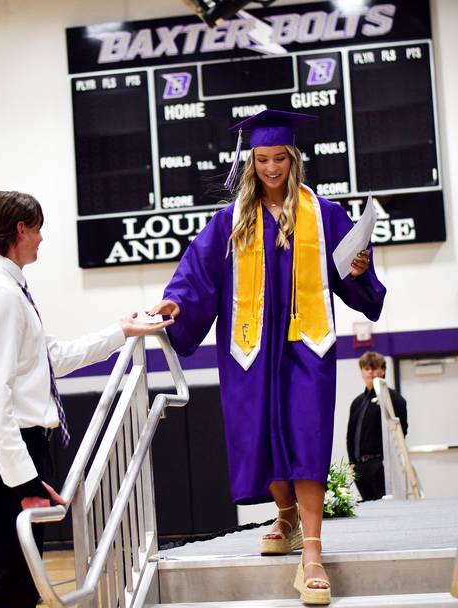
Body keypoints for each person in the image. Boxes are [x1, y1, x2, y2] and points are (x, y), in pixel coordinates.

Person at [148, 110, 386, 606]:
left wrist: (360, 268)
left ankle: (313, 555)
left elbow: (355, 282)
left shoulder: (323, 215)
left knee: (307, 436)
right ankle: (286, 516)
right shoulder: (230, 223)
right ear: (250, 161)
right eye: (263, 159)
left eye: (280, 158)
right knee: (260, 439)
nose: (272, 168)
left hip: (306, 347)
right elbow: (196, 275)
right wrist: (176, 303)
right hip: (250, 351)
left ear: (293, 159)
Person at [0, 191, 172, 607]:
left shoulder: (7, 288)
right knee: (10, 584)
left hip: (9, 448)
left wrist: (119, 331)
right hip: (6, 449)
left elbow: (50, 358)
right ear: (20, 228)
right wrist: (23, 480)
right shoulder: (0, 294)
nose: (41, 239)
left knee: (4, 580)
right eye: (37, 229)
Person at [346, 351, 408, 501]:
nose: (370, 372)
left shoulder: (394, 399)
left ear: (383, 370)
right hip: (360, 467)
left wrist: (385, 461)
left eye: (374, 368)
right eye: (366, 369)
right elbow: (351, 435)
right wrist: (353, 463)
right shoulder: (357, 402)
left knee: (386, 508)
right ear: (362, 372)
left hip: (381, 465)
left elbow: (401, 430)